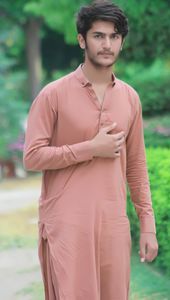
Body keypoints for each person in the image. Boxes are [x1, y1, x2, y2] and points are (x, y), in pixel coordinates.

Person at [23, 1, 158, 299]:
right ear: (82, 40)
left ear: (122, 41)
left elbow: (135, 165)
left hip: (113, 225)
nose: (107, 44)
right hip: (67, 225)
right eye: (98, 36)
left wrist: (148, 225)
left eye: (114, 36)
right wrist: (90, 148)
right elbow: (32, 157)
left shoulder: (130, 98)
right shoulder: (53, 95)